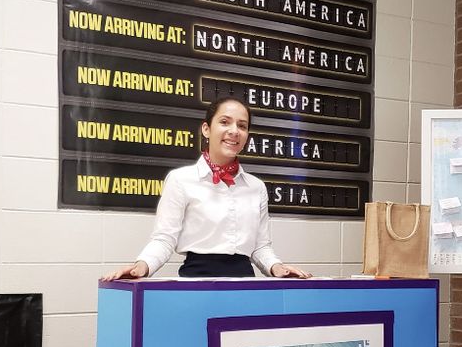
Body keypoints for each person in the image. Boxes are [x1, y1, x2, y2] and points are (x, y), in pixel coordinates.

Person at [101, 96, 311, 281]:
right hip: (196, 284)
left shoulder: (256, 188)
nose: (234, 131)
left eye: (242, 125)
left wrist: (277, 267)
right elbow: (164, 239)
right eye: (224, 122)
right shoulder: (180, 180)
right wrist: (142, 266)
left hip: (246, 287)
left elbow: (260, 246)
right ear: (206, 129)